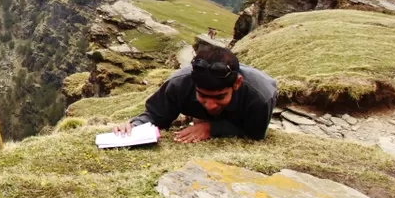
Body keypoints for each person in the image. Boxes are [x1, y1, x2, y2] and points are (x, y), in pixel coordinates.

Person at [114, 45, 277, 143]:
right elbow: (156, 115)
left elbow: (254, 133)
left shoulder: (260, 96)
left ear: (237, 84)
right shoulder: (178, 83)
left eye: (219, 97)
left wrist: (212, 128)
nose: (210, 105)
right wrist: (135, 125)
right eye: (203, 96)